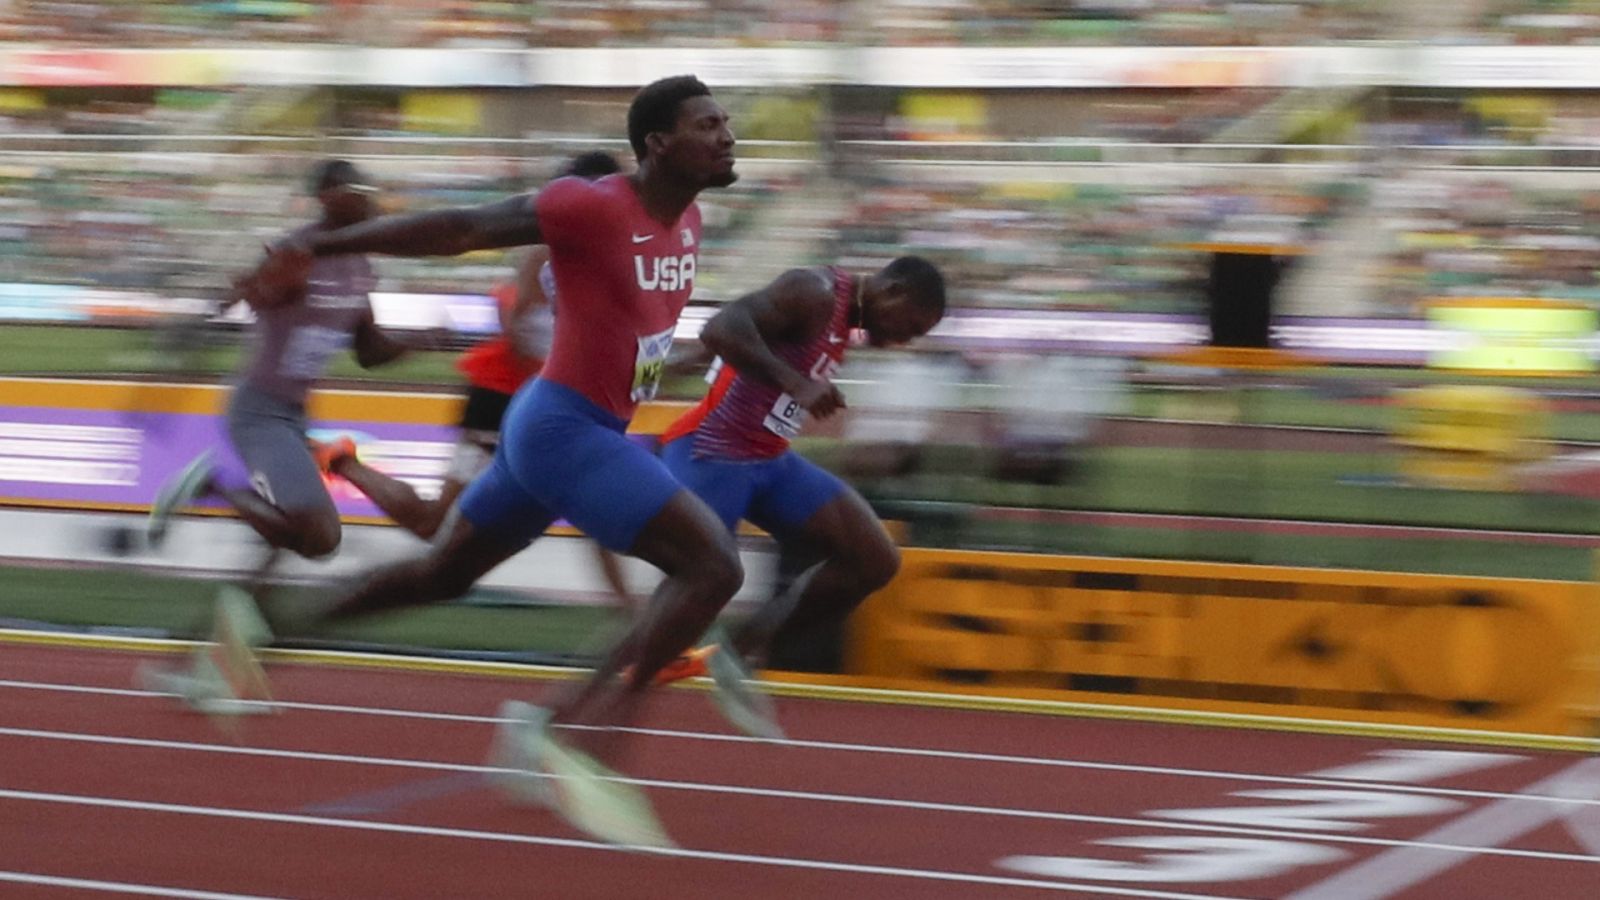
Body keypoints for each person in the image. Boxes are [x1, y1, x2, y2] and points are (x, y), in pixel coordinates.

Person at [230, 75, 757, 849]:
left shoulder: (690, 223)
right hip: (564, 431)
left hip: (558, 426)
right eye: (708, 125)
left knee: (440, 573)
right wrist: (321, 243)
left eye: (725, 122)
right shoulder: (594, 205)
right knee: (712, 566)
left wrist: (677, 362)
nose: (727, 136)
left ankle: (277, 631)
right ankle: (579, 741)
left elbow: (632, 338)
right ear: (658, 144)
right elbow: (461, 227)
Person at [140, 160, 437, 708]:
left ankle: (196, 669)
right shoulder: (297, 252)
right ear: (327, 196)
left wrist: (422, 340)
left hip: (293, 416)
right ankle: (210, 484)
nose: (370, 199)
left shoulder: (360, 265)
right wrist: (219, 314)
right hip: (259, 410)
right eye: (359, 191)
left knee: (272, 554)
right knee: (319, 537)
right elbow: (248, 293)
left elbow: (369, 350)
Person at [642, 257, 947, 737]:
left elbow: (733, 347)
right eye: (908, 326)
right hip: (712, 450)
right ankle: (579, 714)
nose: (903, 340)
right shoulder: (815, 291)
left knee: (875, 560)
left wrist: (678, 369)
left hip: (768, 460)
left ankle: (739, 652)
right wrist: (797, 383)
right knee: (693, 595)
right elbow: (721, 328)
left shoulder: (844, 320)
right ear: (892, 290)